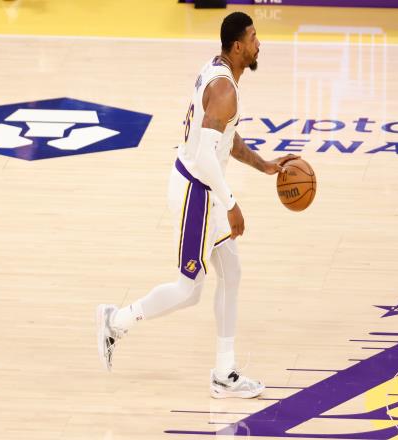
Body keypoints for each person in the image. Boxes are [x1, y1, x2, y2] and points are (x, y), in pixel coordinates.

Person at [96, 11, 297, 399]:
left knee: (231, 273)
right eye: (253, 38)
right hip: (197, 194)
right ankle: (115, 321)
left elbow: (224, 140)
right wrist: (232, 203)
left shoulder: (218, 71)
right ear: (237, 46)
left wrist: (263, 165)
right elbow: (206, 156)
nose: (259, 45)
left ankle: (224, 373)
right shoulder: (225, 91)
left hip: (204, 189)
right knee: (189, 290)